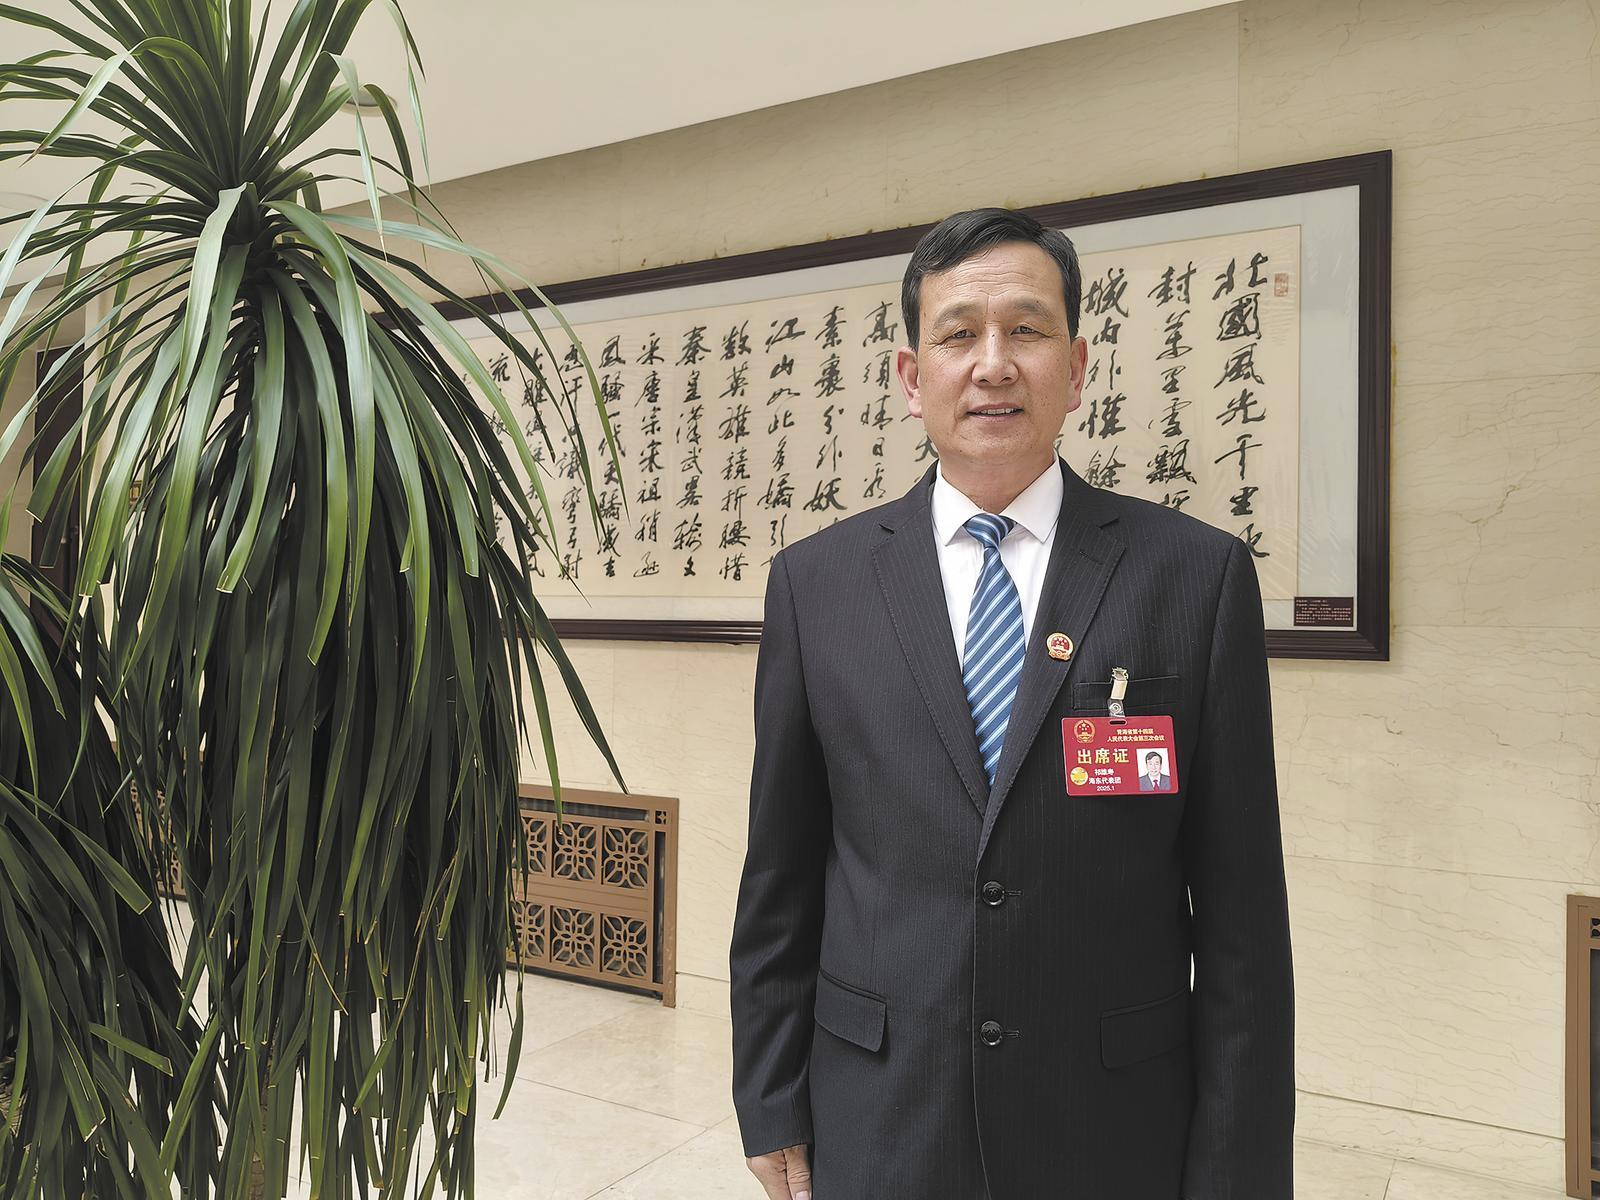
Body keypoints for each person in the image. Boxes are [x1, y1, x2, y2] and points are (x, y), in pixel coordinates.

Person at [728, 207, 1294, 1198]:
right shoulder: (817, 586)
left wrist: (1238, 1171)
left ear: (1075, 368)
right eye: (958, 335)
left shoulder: (1193, 578)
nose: (993, 365)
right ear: (913, 378)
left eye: (1025, 330)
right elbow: (781, 876)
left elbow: (1243, 914)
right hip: (883, 1115)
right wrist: (771, 1097)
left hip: (1111, 1127)